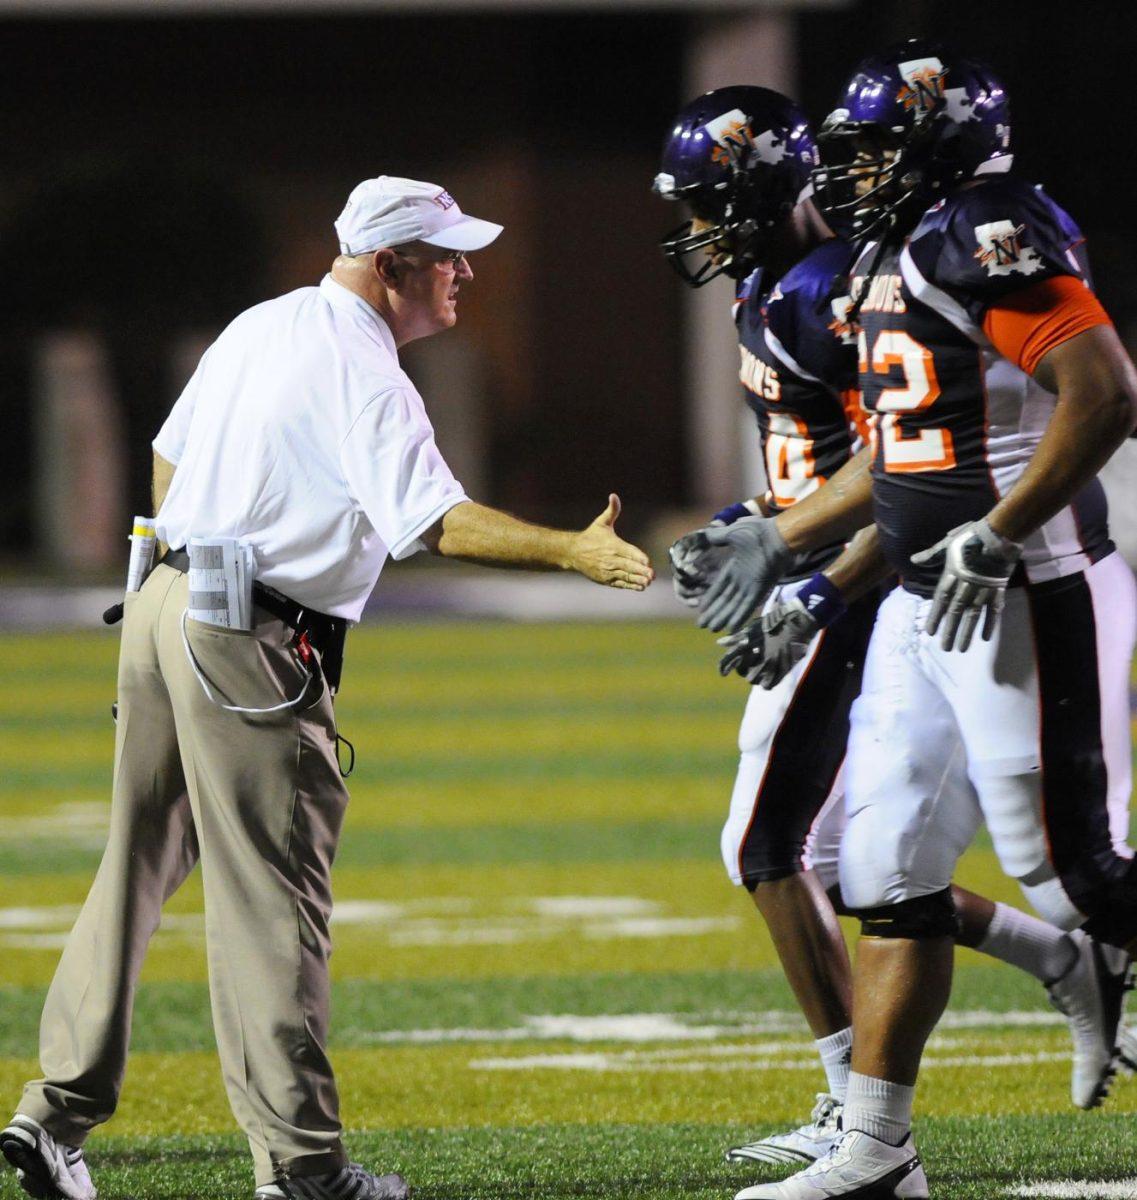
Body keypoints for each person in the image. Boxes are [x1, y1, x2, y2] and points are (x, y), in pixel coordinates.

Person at [0, 174, 654, 1200]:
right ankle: (304, 1170)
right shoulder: (365, 366)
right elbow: (431, 522)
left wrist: (212, 550)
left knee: (132, 867)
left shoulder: (264, 322)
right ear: (389, 264)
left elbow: (168, 463)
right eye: (446, 255)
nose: (466, 271)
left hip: (164, 606)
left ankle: (52, 1114)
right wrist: (574, 550)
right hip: (243, 633)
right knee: (273, 905)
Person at [675, 43, 1137, 1200]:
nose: (860, 172)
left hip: (1024, 576)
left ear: (942, 144)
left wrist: (989, 528)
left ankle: (1053, 975)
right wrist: (805, 565)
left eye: (883, 146)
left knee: (1071, 876)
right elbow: (906, 463)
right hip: (924, 590)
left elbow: (1104, 394)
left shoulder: (992, 227)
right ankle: (877, 1151)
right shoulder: (884, 251)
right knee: (880, 872)